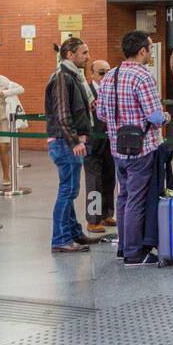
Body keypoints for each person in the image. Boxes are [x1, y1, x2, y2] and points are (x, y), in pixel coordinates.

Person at [97, 30, 170, 267]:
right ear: (142, 51)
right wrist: (166, 116)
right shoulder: (143, 76)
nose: (150, 52)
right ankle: (134, 253)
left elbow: (101, 113)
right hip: (142, 148)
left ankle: (123, 246)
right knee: (136, 200)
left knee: (124, 196)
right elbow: (155, 116)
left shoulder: (110, 75)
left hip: (118, 147)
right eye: (149, 48)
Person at [45, 37, 95, 253]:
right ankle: (61, 239)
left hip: (69, 142)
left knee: (71, 188)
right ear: (70, 55)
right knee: (67, 191)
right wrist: (74, 140)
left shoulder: (73, 77)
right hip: (65, 143)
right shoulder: (62, 78)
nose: (87, 56)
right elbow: (62, 113)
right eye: (83, 53)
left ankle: (74, 232)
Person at [83, 59, 117, 234]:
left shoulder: (113, 90)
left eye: (108, 72)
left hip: (110, 142)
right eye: (102, 73)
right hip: (92, 143)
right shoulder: (86, 92)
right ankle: (93, 219)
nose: (106, 76)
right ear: (92, 74)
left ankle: (106, 213)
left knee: (109, 179)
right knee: (94, 182)